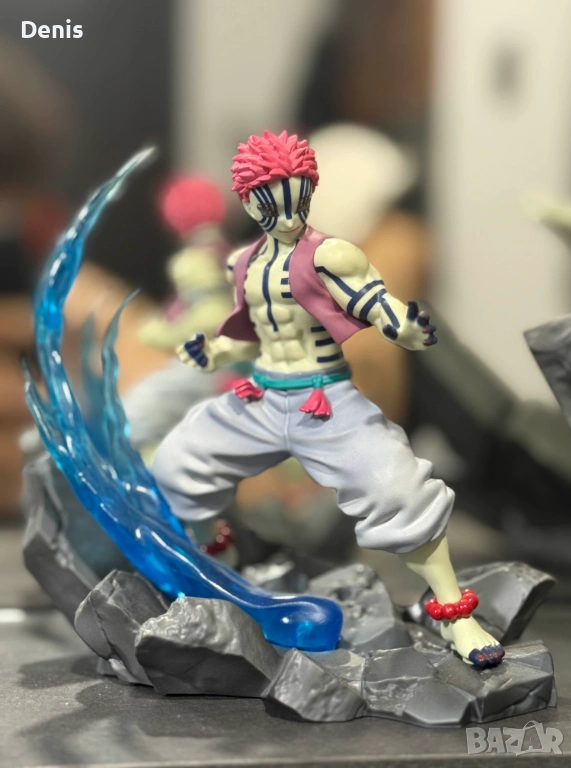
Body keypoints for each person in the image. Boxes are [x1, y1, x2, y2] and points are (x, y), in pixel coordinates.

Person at [152, 130, 505, 669]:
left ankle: (455, 615)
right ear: (248, 201)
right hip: (261, 397)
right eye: (273, 203)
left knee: (398, 487)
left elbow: (374, 301)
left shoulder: (330, 254)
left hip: (323, 401)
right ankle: (218, 567)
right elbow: (249, 335)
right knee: (178, 462)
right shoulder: (242, 264)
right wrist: (214, 351)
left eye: (299, 199)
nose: (288, 216)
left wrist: (403, 327)